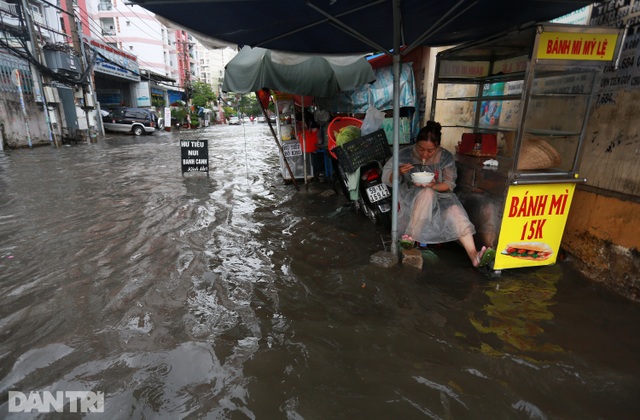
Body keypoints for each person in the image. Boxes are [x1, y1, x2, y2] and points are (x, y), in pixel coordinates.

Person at [382, 121, 493, 267]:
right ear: (415, 144)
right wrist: (398, 172)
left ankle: (474, 256)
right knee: (427, 193)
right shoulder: (404, 155)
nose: (425, 154)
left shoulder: (445, 157)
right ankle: (410, 237)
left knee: (456, 211)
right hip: (411, 194)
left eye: (430, 151)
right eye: (421, 149)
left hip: (441, 195)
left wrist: (434, 185)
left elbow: (449, 184)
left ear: (437, 147)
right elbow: (387, 178)